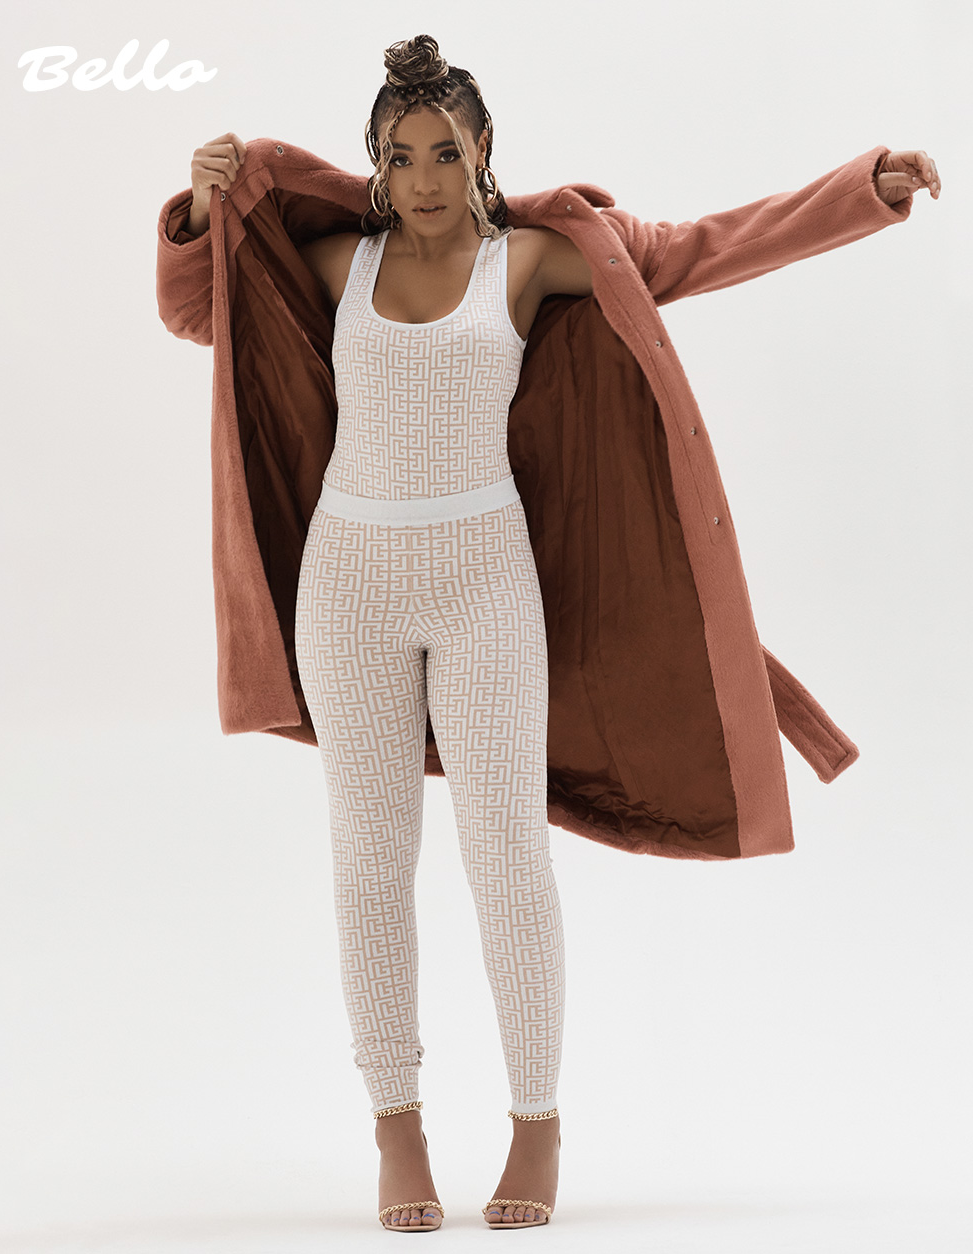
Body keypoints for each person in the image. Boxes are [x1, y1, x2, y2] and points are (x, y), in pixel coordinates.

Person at [165, 32, 939, 1235]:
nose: (424, 178)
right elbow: (198, 312)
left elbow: (697, 250)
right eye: (400, 156)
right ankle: (397, 1126)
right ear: (375, 164)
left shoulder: (526, 260)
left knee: (505, 856)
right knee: (369, 859)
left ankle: (535, 1120)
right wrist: (197, 213)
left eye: (445, 153)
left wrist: (861, 191)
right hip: (347, 588)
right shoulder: (335, 263)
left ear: (483, 153)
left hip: (486, 583)